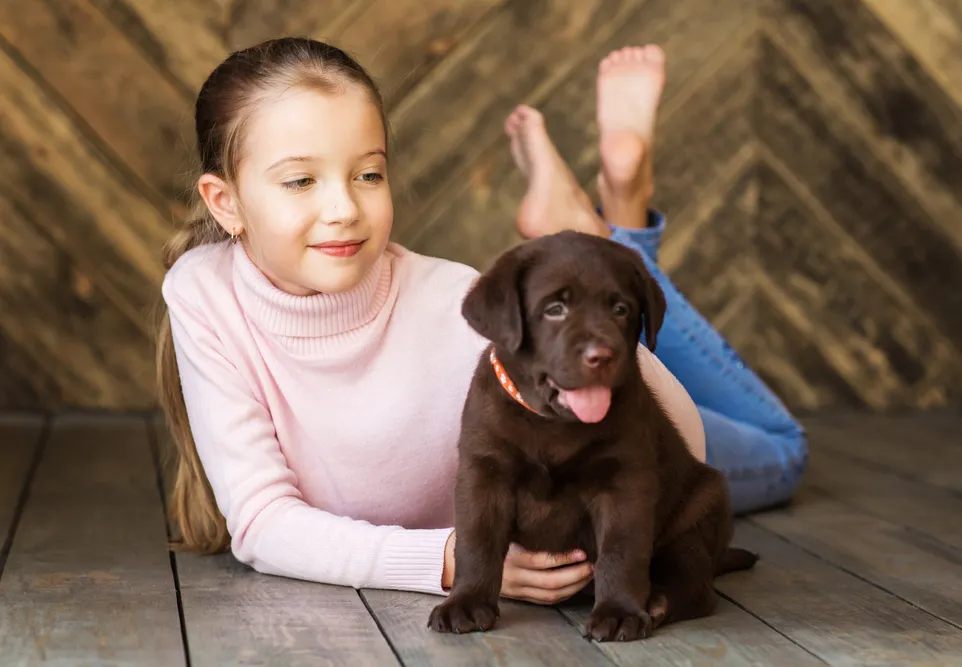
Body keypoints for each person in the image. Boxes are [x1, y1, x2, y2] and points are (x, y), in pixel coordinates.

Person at [156, 36, 806, 606]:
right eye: (300, 181)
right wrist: (460, 558)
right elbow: (263, 523)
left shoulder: (454, 304)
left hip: (629, 451)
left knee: (782, 452)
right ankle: (605, 231)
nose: (343, 208)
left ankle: (608, 237)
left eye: (369, 173)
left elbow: (663, 445)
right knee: (780, 445)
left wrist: (592, 305)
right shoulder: (203, 291)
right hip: (535, 477)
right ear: (226, 201)